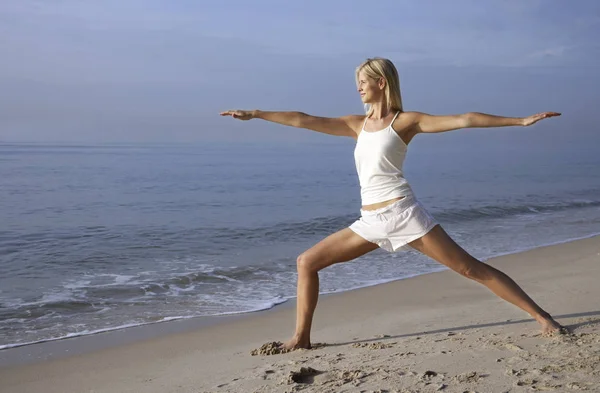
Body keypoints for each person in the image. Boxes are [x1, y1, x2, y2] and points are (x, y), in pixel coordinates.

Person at [220, 57, 564, 351]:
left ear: (381, 83)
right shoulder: (356, 125)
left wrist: (519, 121)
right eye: (357, 82)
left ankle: (542, 317)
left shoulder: (405, 122)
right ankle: (301, 338)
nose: (358, 88)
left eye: (362, 82)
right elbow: (302, 118)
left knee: (470, 268)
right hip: (369, 221)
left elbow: (465, 118)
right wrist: (256, 113)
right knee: (307, 262)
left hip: (402, 214)